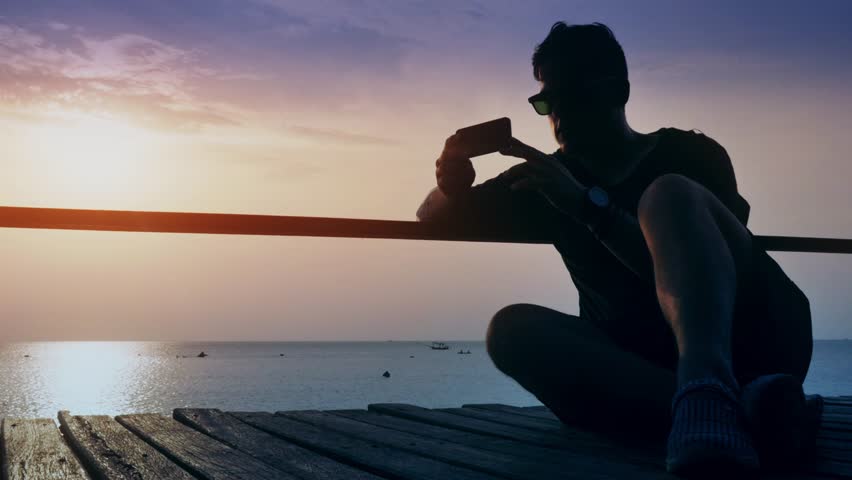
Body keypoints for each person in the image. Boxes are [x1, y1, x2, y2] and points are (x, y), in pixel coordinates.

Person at [416, 22, 821, 476]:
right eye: (548, 102)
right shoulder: (544, 180)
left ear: (620, 92)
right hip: (642, 366)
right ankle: (736, 409)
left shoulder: (690, 155)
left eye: (575, 94)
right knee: (509, 330)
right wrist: (450, 181)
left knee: (668, 195)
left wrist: (587, 208)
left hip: (756, 341)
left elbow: (709, 274)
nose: (560, 115)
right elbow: (432, 217)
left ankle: (708, 388)